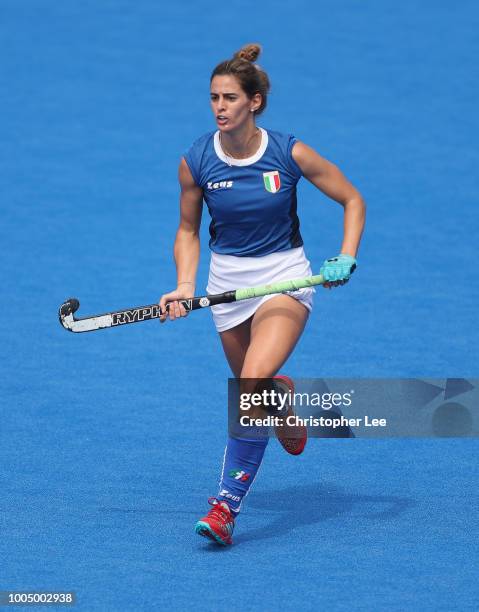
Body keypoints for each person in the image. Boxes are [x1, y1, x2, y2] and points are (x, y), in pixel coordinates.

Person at [159, 43, 366, 546]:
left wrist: (346, 254)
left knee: (249, 382)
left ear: (255, 102)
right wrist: (186, 287)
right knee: (256, 393)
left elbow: (351, 198)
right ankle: (283, 407)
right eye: (213, 98)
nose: (219, 107)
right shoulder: (197, 160)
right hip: (226, 288)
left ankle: (224, 509)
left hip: (285, 281)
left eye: (229, 97)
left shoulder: (288, 152)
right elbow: (188, 232)